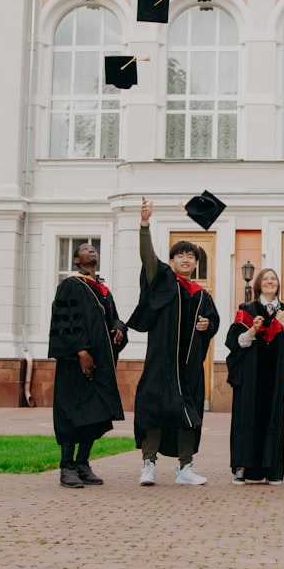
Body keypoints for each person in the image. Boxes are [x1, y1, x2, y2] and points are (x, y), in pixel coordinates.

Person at [127, 197, 220, 486]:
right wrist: (145, 224)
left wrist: (208, 324)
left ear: (196, 263)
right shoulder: (163, 280)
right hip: (161, 362)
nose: (186, 259)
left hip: (189, 366)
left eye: (191, 256)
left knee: (188, 414)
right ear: (171, 261)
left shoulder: (202, 294)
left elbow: (213, 321)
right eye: (180, 255)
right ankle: (148, 465)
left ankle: (185, 468)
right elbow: (146, 257)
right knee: (154, 409)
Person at [48, 243, 127, 488]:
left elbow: (112, 316)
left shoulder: (102, 289)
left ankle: (82, 463)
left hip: (101, 363)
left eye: (93, 248)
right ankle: (66, 467)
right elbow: (65, 321)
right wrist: (81, 351)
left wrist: (119, 328)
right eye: (84, 248)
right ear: (76, 260)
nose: (91, 249)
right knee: (73, 413)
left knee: (95, 414)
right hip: (75, 364)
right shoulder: (71, 285)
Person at [225, 268, 284, 485]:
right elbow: (235, 342)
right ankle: (241, 467)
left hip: (275, 377)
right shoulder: (247, 310)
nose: (270, 282)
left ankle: (273, 469)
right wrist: (252, 330)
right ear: (259, 284)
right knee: (245, 420)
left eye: (274, 279)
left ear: (278, 284)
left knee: (273, 421)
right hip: (250, 377)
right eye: (266, 279)